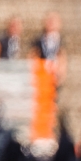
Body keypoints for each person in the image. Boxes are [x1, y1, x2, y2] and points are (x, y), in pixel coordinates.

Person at [29, 13, 67, 143]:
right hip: (41, 77)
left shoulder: (60, 41)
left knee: (53, 106)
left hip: (53, 77)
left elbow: (62, 57)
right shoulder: (39, 40)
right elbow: (33, 56)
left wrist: (60, 74)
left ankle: (50, 131)